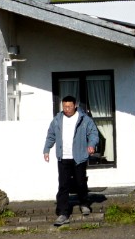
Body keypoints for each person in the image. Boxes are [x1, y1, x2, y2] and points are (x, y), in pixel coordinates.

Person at [42, 94, 102, 226]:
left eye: (69, 106)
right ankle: (63, 213)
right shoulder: (57, 120)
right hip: (63, 157)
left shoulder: (84, 119)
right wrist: (46, 150)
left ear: (75, 106)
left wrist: (91, 144)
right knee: (63, 185)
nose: (67, 109)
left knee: (80, 182)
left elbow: (93, 133)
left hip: (79, 157)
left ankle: (84, 203)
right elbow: (51, 135)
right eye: (64, 106)